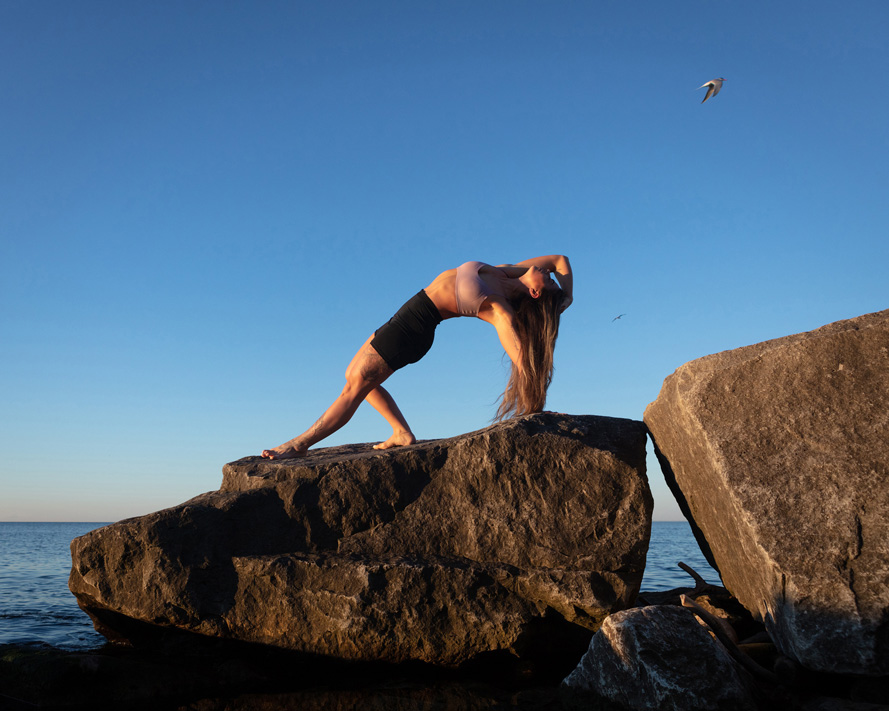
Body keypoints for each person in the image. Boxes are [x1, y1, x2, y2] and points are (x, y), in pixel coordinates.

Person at [261, 255, 573, 459]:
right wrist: (567, 294)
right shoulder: (506, 273)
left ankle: (298, 445)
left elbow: (522, 360)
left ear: (535, 293)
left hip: (413, 329)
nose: (548, 274)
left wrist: (536, 404)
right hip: (404, 315)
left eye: (548, 280)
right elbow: (560, 259)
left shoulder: (498, 307)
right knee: (352, 377)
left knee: (353, 388)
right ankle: (401, 433)